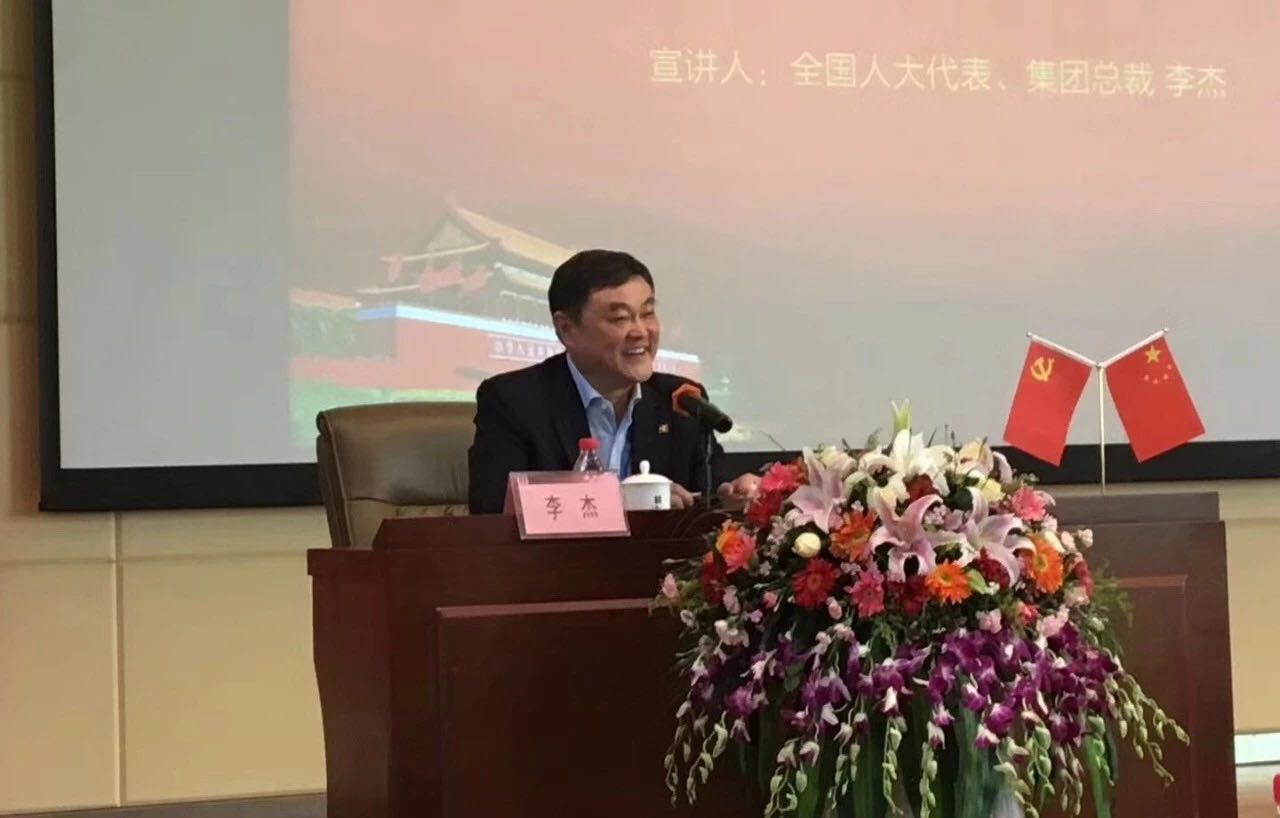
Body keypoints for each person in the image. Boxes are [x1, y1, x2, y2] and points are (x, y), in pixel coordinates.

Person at [467, 249, 760, 514]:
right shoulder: (514, 400)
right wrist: (620, 500)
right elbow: (492, 509)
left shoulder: (680, 399)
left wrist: (732, 495)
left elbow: (710, 493)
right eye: (620, 318)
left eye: (647, 313)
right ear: (567, 329)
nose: (641, 332)